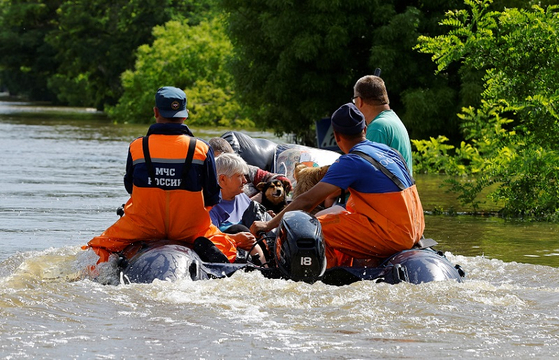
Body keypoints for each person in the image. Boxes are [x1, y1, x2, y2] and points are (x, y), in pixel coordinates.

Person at [85, 86, 256, 264]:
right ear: (185, 115)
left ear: (155, 112)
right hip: (189, 229)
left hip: (143, 228)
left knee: (99, 247)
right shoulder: (202, 149)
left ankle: (95, 273)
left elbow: (130, 188)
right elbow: (213, 197)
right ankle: (213, 250)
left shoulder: (137, 147)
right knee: (224, 244)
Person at [250, 103, 424, 268]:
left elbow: (307, 201)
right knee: (337, 213)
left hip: (395, 235)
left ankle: (327, 276)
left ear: (337, 136)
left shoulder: (351, 161)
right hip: (415, 231)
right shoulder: (390, 152)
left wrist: (268, 225)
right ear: (364, 129)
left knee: (312, 230)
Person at [210, 153, 270, 263]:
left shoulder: (242, 197)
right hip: (231, 260)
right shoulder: (210, 205)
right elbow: (207, 238)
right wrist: (235, 238)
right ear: (222, 179)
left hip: (255, 254)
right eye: (239, 176)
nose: (245, 181)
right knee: (239, 229)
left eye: (244, 176)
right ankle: (265, 268)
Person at [352, 75, 413, 175]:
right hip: (405, 190)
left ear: (360, 101)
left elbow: (365, 173)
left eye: (354, 101)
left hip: (390, 191)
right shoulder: (393, 119)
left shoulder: (377, 127)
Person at [208, 137, 292, 199]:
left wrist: (275, 187)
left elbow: (274, 178)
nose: (244, 180)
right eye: (220, 160)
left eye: (230, 158)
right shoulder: (207, 181)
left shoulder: (247, 170)